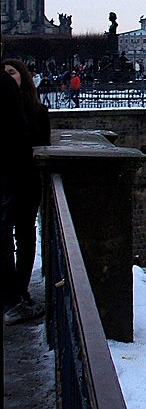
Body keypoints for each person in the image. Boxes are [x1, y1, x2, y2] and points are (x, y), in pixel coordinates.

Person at [2, 59, 48, 324]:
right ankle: (15, 295)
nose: (8, 78)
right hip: (10, 179)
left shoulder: (36, 110)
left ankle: (19, 289)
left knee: (24, 236)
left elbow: (42, 141)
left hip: (26, 182)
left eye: (12, 73)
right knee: (8, 237)